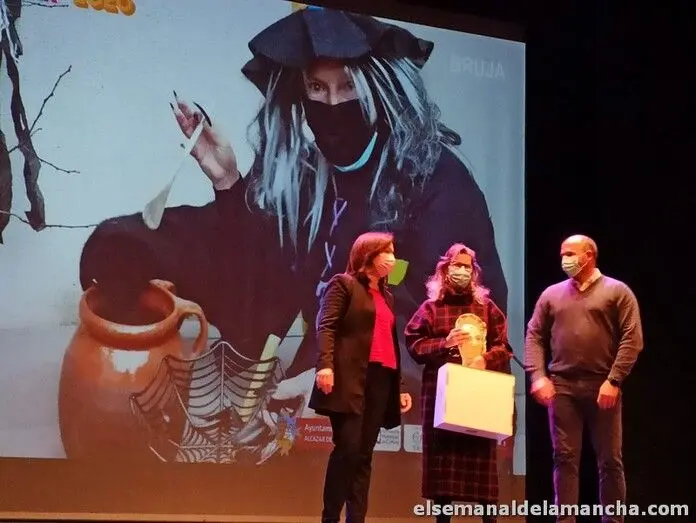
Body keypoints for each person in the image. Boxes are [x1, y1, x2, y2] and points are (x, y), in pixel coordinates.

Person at [78, 6, 507, 428]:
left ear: (376, 87)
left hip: (414, 413)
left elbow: (454, 324)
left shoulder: (435, 181)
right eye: (317, 88)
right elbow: (260, 283)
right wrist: (227, 183)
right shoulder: (307, 180)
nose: (333, 104)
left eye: (348, 85)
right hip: (315, 400)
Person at [524, 234, 643, 523]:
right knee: (564, 459)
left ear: (589, 255)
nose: (564, 259)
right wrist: (538, 376)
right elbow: (534, 335)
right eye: (562, 254)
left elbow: (632, 338)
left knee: (610, 461)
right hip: (562, 386)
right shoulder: (551, 294)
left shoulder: (617, 291)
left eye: (570, 254)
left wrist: (614, 380)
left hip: (602, 384)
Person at [308, 231, 412, 523]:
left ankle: (357, 519)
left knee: (365, 455)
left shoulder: (387, 296)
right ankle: (330, 517)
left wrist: (399, 386)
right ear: (368, 255)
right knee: (348, 449)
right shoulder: (343, 284)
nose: (392, 258)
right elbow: (326, 326)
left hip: (381, 379)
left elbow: (389, 343)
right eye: (386, 252)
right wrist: (325, 365)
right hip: (349, 378)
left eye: (393, 252)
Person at [404, 243, 512, 523]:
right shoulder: (431, 308)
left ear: (474, 273)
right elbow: (414, 344)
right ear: (445, 269)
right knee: (444, 465)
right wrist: (445, 343)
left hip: (477, 393)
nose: (462, 271)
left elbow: (504, 347)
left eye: (467, 266)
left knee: (482, 463)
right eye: (457, 265)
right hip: (440, 394)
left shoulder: (486, 308)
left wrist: (485, 359)